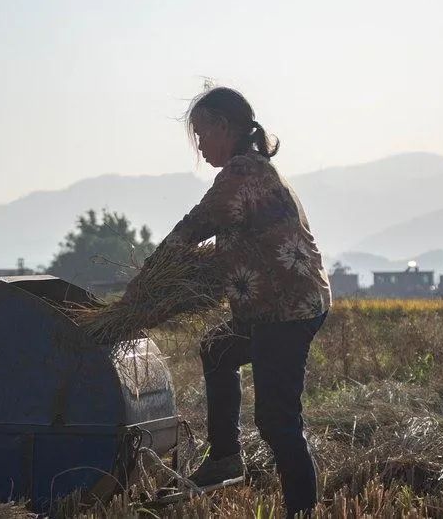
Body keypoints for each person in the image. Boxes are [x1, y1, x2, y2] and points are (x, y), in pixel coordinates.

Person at [122, 86, 331, 518]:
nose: (199, 144)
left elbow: (192, 228)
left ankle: (301, 512)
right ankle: (223, 458)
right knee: (218, 349)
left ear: (224, 127)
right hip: (270, 307)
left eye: (201, 133)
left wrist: (143, 285)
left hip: (285, 310)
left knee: (277, 422)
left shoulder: (242, 174)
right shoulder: (252, 169)